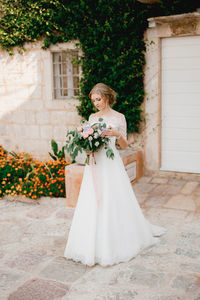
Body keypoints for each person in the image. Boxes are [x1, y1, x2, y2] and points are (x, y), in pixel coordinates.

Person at [64, 82, 166, 267]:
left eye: (99, 99)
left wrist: (117, 134)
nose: (96, 103)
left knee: (113, 198)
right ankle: (90, 242)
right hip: (94, 164)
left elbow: (125, 145)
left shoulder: (119, 117)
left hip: (111, 163)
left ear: (107, 97)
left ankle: (116, 240)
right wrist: (87, 148)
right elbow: (88, 139)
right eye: (94, 100)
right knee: (92, 199)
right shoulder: (92, 117)